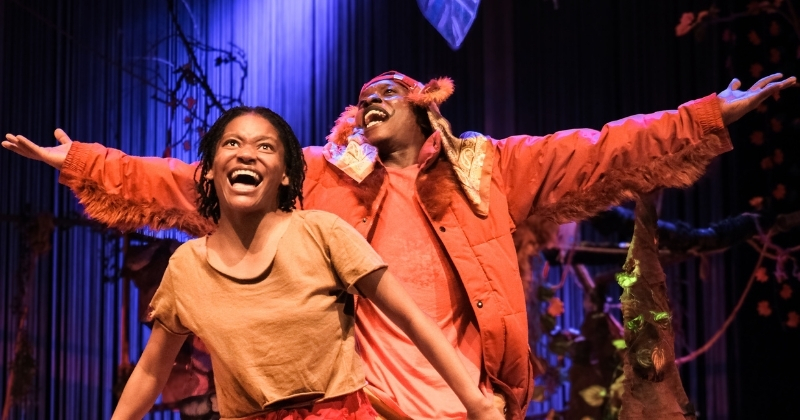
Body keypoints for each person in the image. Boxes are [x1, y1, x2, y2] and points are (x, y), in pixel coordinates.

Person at [4, 72, 796, 420]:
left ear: (427, 108)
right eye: (361, 100)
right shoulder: (321, 180)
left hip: (462, 400)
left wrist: (708, 116)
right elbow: (189, 184)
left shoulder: (490, 166)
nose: (369, 103)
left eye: (387, 94)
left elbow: (598, 150)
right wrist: (79, 161)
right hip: (360, 404)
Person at [109, 105, 503, 420]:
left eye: (266, 147)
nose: (247, 152)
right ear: (210, 170)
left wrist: (477, 402)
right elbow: (150, 371)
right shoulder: (187, 266)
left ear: (284, 175)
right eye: (232, 144)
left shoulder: (321, 232)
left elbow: (412, 319)